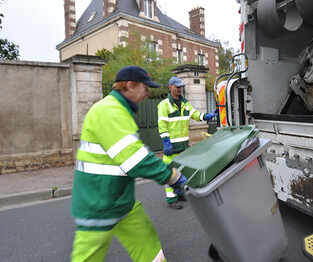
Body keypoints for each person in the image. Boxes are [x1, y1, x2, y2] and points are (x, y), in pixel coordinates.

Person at [70, 66, 187, 262]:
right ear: (130, 85)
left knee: (151, 251)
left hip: (122, 201)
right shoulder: (109, 111)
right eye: (145, 88)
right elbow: (135, 158)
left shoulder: (120, 111)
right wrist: (171, 176)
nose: (148, 94)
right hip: (98, 203)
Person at [158, 76, 217, 210]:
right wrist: (166, 142)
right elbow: (162, 125)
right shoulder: (164, 105)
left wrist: (206, 116)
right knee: (169, 173)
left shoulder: (185, 103)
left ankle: (178, 194)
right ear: (170, 87)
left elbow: (195, 114)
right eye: (177, 86)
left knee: (181, 171)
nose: (179, 89)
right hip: (171, 147)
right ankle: (171, 199)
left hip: (183, 145)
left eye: (181, 87)